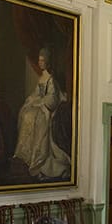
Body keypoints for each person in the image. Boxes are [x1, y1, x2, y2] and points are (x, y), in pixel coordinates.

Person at [13, 47, 71, 180]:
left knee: (35, 117)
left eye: (42, 60)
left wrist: (41, 103)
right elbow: (37, 93)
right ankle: (25, 154)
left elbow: (52, 98)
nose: (40, 63)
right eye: (39, 60)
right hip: (40, 104)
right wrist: (32, 100)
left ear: (47, 62)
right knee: (25, 113)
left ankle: (39, 158)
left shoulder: (51, 79)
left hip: (47, 109)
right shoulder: (42, 77)